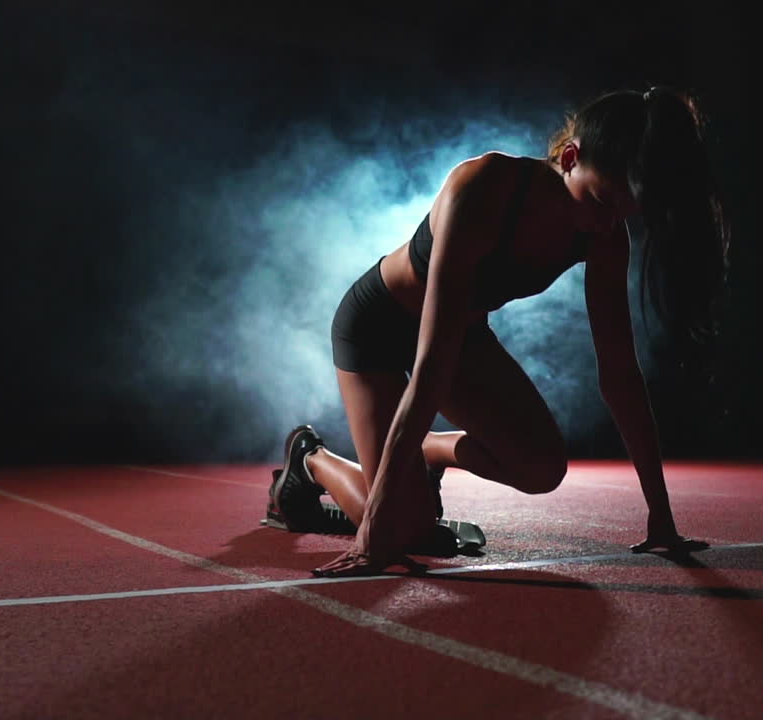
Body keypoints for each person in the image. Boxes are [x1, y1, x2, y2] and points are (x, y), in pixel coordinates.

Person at [267, 86, 729, 577]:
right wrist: (374, 533)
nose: (605, 224)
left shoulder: (605, 234)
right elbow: (431, 366)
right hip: (377, 328)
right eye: (600, 202)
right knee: (404, 528)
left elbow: (620, 376)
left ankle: (424, 452)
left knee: (542, 468)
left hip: (457, 336)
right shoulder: (484, 185)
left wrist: (661, 515)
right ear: (569, 159)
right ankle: (310, 458)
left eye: (620, 212)